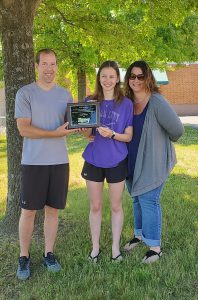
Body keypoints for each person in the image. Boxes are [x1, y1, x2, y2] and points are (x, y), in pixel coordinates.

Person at [15, 48, 77, 280]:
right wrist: (54, 133)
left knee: (53, 212)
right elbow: (23, 129)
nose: (49, 69)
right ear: (36, 66)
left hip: (59, 161)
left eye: (53, 64)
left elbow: (69, 126)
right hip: (33, 162)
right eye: (45, 64)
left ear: (57, 66)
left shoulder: (66, 94)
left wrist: (84, 129)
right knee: (28, 211)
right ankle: (23, 256)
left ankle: (49, 253)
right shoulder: (25, 93)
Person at [123, 60, 184, 263]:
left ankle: (155, 248)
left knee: (149, 200)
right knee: (136, 199)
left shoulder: (156, 101)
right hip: (131, 161)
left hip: (152, 162)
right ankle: (139, 235)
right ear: (128, 79)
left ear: (148, 77)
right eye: (132, 76)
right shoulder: (126, 101)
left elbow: (177, 130)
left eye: (141, 76)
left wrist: (159, 145)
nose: (136, 80)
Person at [81, 61, 133, 262]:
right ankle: (95, 248)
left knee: (116, 206)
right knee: (95, 206)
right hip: (94, 159)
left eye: (112, 76)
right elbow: (86, 132)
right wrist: (85, 132)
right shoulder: (90, 100)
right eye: (104, 76)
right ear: (99, 78)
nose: (108, 80)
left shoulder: (126, 103)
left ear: (117, 78)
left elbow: (128, 136)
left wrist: (112, 134)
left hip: (117, 159)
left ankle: (114, 248)